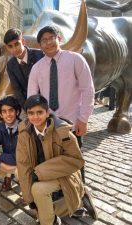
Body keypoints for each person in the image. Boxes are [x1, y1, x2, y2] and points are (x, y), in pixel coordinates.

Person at [27, 26, 95, 182]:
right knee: (51, 160)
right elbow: (32, 97)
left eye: (51, 38)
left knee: (75, 160)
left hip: (73, 122)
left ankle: (80, 192)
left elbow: (88, 90)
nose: (48, 43)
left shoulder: (76, 59)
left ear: (59, 39)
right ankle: (59, 193)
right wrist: (37, 122)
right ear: (40, 45)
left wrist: (83, 119)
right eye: (43, 40)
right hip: (48, 124)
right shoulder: (37, 68)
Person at [16, 94, 97, 225]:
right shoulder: (24, 133)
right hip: (39, 173)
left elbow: (77, 160)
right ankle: (77, 200)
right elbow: (23, 164)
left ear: (47, 113)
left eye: (39, 112)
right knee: (25, 184)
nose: (35, 117)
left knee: (38, 189)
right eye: (31, 113)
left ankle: (51, 221)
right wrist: (30, 200)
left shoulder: (63, 132)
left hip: (64, 174)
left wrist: (39, 172)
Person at [4, 28, 44, 116]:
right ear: (7, 47)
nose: (14, 49)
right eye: (10, 46)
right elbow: (17, 89)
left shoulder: (40, 55)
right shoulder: (10, 65)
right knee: (22, 127)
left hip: (45, 102)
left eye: (16, 44)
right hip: (26, 104)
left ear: (22, 41)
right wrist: (27, 108)